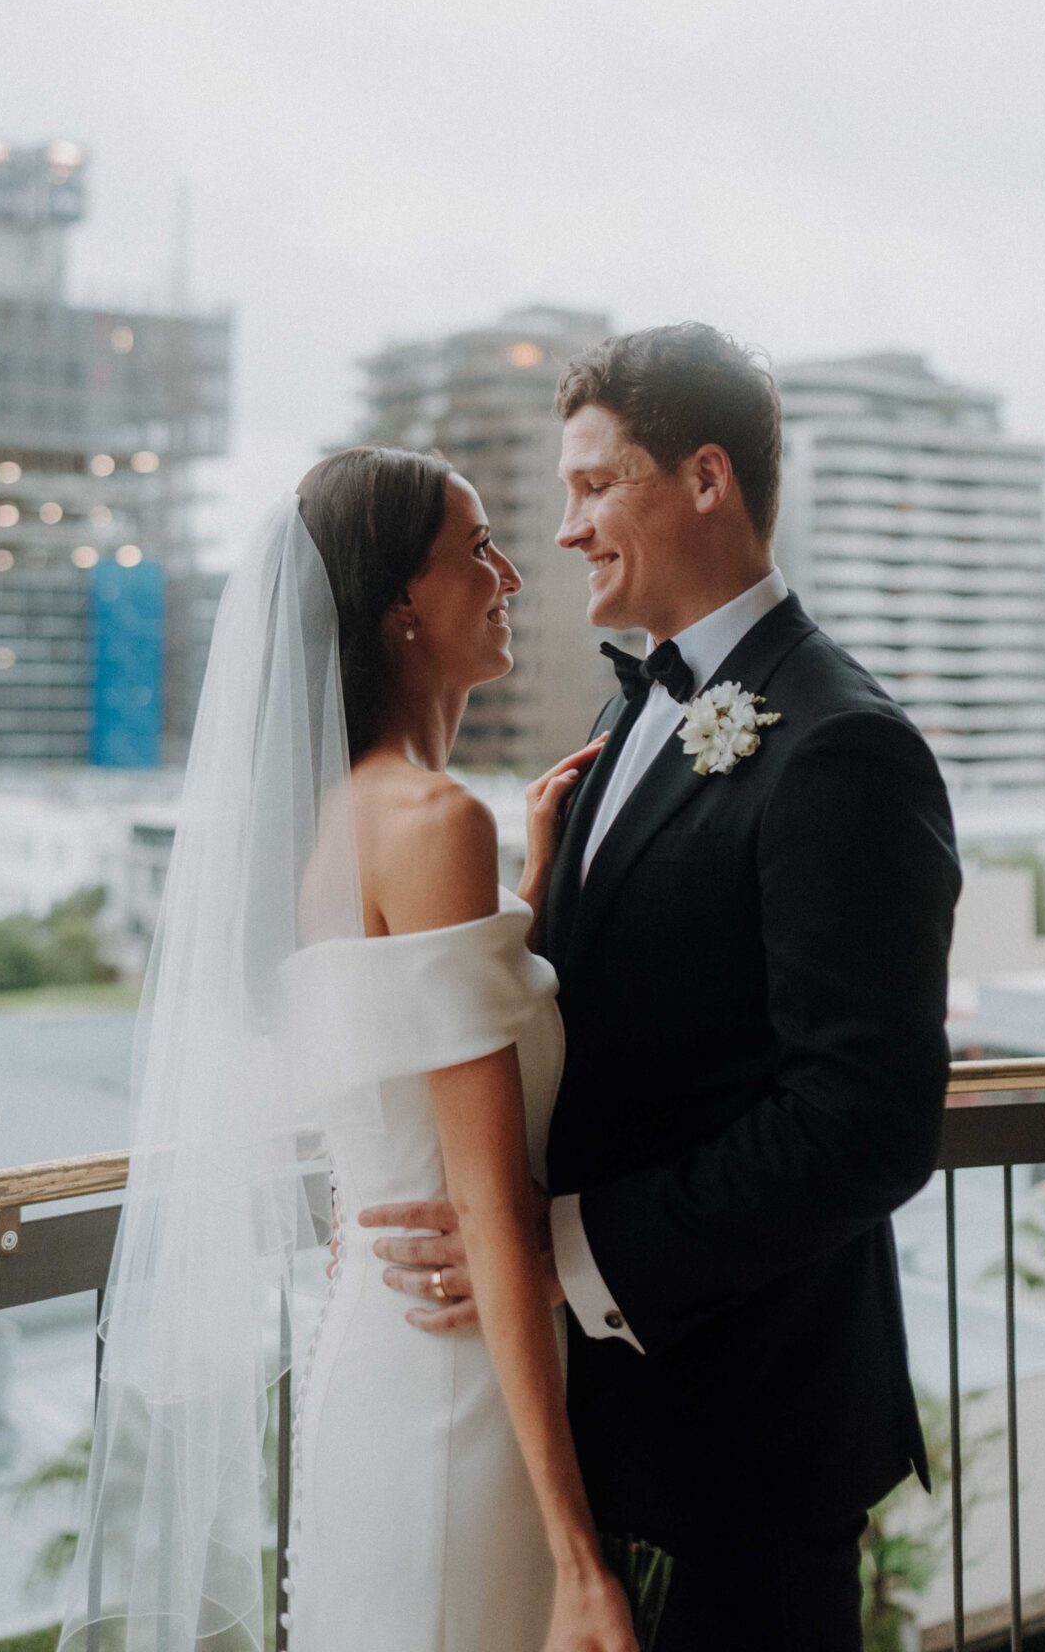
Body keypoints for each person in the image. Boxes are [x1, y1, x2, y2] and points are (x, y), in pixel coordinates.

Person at [363, 323, 962, 1651]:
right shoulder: (615, 717)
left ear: (705, 479)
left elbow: (861, 1126)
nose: (563, 530)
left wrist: (549, 1247)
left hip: (741, 1456)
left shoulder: (844, 747)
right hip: (587, 1443)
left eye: (592, 486)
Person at [55, 447, 635, 1652]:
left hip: (377, 1345)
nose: (513, 572)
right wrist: (580, 1559)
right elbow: (484, 1205)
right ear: (397, 610)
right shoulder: (429, 822)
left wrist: (529, 889)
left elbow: (403, 1074)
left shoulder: (333, 830)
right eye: (476, 549)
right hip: (456, 1385)